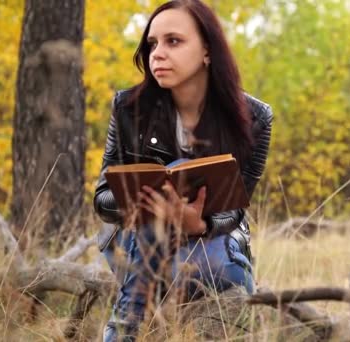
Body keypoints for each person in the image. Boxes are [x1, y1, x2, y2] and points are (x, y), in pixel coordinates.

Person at [92, 1, 272, 340]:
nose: (157, 53)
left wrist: (199, 223)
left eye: (173, 41)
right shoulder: (128, 108)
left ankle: (123, 328)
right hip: (132, 246)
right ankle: (128, 325)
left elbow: (236, 207)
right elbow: (102, 199)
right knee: (164, 194)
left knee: (179, 170)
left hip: (212, 249)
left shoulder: (255, 118)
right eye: (152, 44)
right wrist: (146, 205)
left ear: (207, 51)